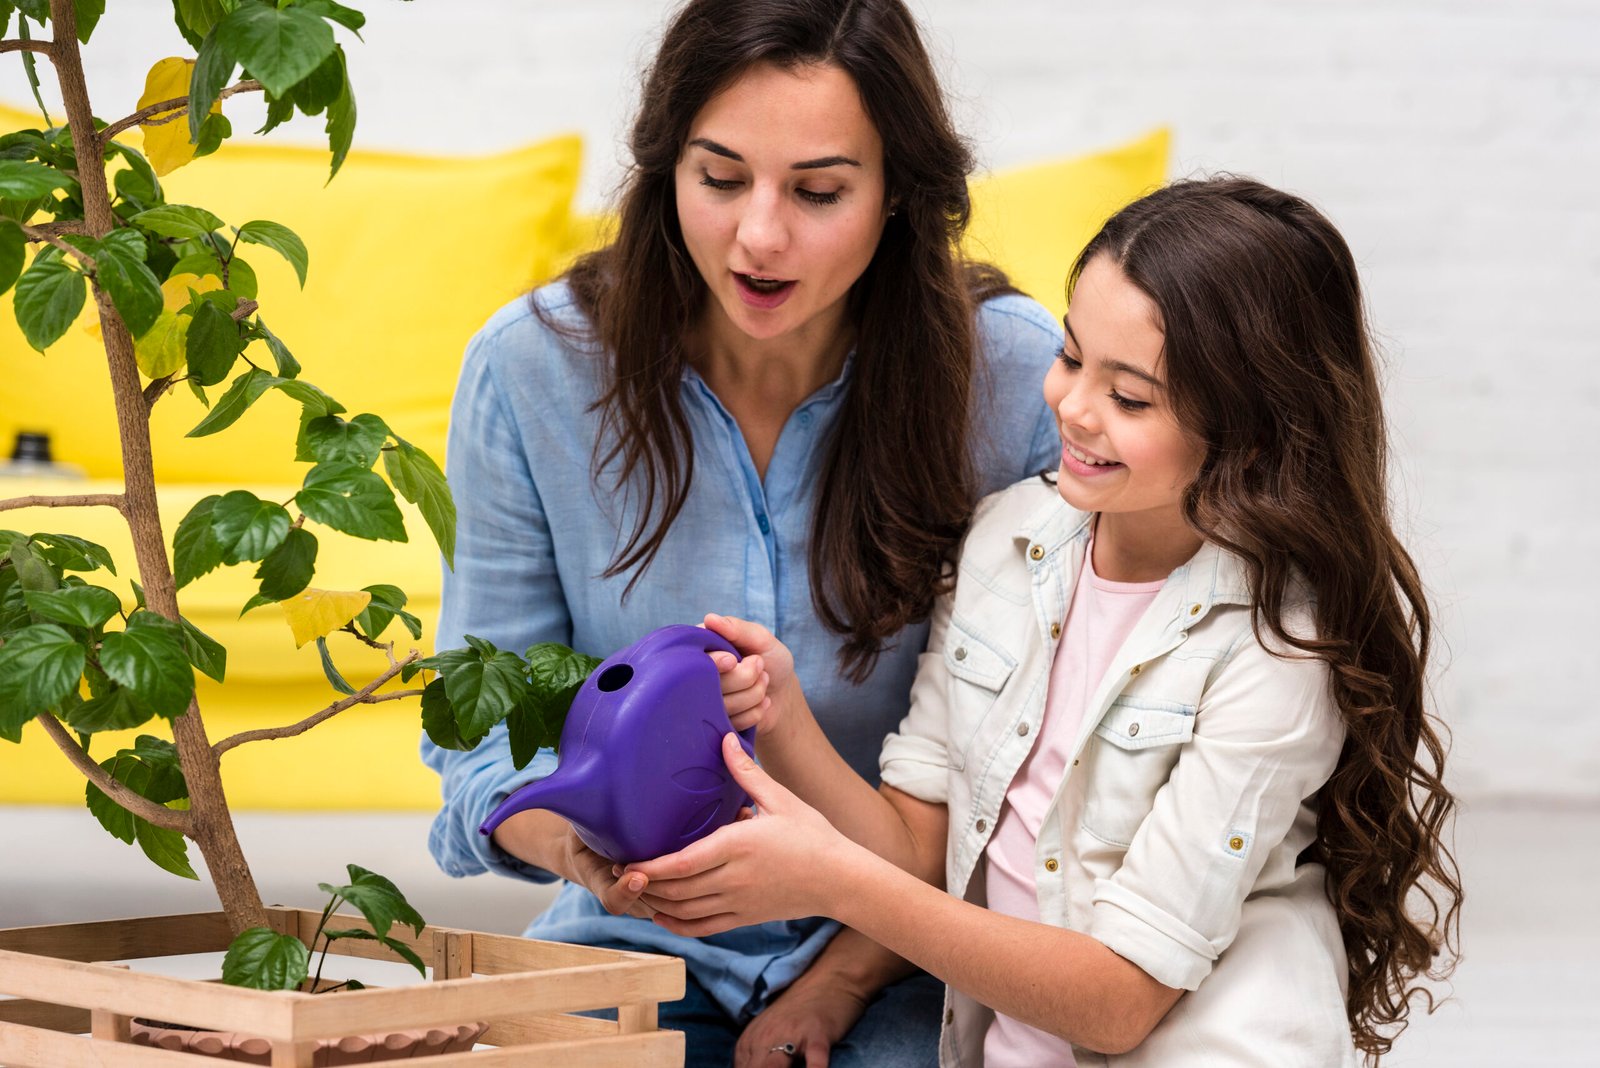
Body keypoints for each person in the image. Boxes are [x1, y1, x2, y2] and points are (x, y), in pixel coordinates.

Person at [630, 177, 1464, 1066]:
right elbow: (918, 850)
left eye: (1131, 397)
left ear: (1252, 437)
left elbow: (1115, 1003)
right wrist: (783, 718)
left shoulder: (1277, 648)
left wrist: (833, 881)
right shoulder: (1006, 542)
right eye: (1071, 358)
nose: (1072, 407)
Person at [422, 0, 1066, 1063]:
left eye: (817, 191)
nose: (759, 235)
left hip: (900, 943)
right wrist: (589, 858)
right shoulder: (534, 368)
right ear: (664, 167)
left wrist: (840, 979)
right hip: (630, 932)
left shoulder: (1008, 377)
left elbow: (1029, 770)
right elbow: (483, 742)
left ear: (900, 193)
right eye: (718, 179)